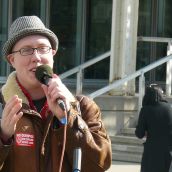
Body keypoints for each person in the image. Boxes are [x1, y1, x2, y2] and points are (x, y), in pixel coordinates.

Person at [0, 16, 112, 172]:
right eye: (26, 50)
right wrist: (3, 137)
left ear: (53, 53)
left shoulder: (83, 107)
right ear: (12, 60)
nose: (36, 57)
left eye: (42, 48)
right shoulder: (2, 106)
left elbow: (100, 165)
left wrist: (68, 117)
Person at [135, 84, 172, 172]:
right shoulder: (169, 108)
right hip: (168, 151)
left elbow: (139, 134)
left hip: (151, 153)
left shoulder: (145, 110)